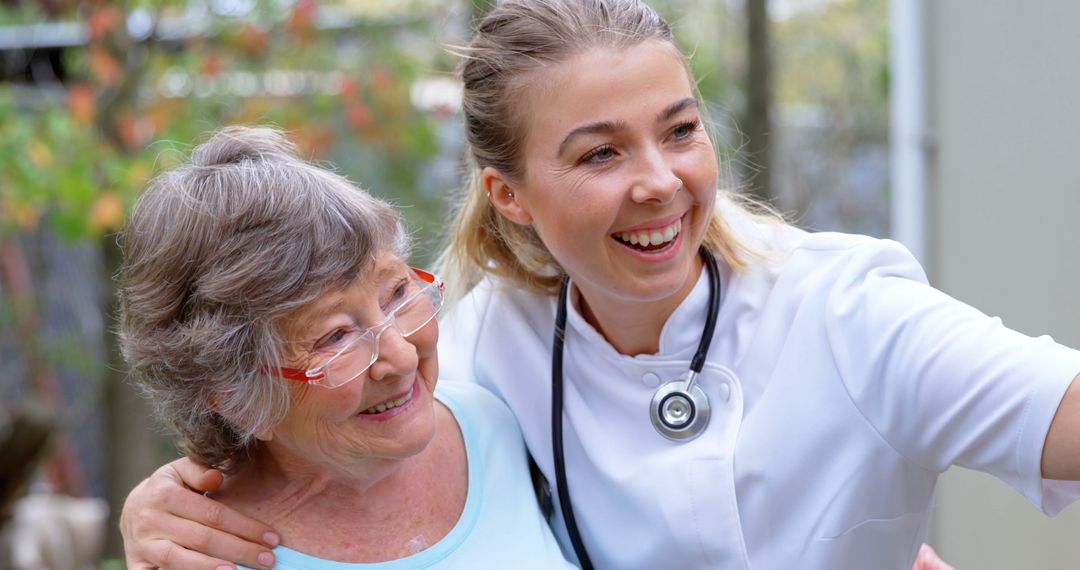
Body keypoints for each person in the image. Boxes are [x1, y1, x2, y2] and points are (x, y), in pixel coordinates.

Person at [120, 0, 1080, 568]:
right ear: (511, 195)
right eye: (599, 153)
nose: (659, 181)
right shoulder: (488, 342)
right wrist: (155, 507)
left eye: (679, 129)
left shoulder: (848, 311)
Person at [116, 126, 572, 569]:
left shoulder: (489, 423)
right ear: (236, 401)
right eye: (335, 336)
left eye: (396, 293)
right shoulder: (201, 554)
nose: (402, 357)